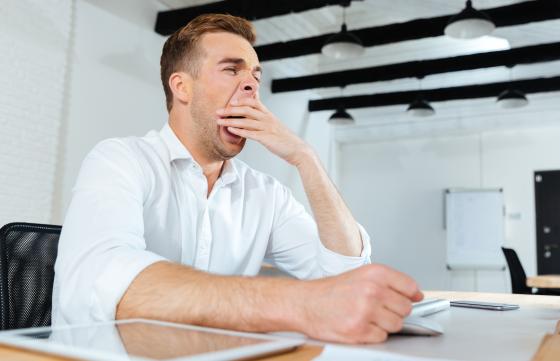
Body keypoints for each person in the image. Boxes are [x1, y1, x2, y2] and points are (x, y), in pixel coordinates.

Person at [52, 13, 422, 344]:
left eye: (255, 76)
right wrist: (297, 304)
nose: (251, 86)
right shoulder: (120, 160)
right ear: (182, 87)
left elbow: (345, 274)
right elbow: (101, 281)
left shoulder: (264, 193)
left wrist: (305, 158)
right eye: (232, 70)